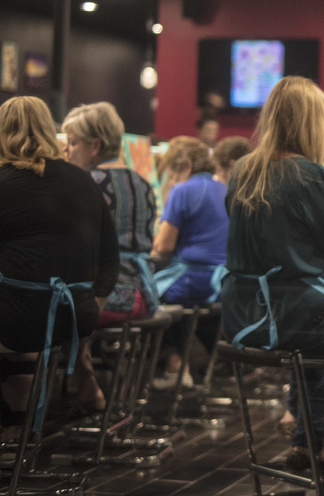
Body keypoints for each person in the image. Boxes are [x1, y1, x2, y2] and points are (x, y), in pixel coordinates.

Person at [220, 76, 324, 482]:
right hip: (291, 318)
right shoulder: (310, 175)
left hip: (240, 318)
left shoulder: (241, 169)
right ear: (310, 122)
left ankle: (310, 445)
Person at [0, 97, 119, 441]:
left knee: (16, 322)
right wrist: (89, 310)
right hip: (74, 318)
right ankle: (17, 430)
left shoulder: (4, 182)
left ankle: (14, 426)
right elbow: (110, 259)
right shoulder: (84, 182)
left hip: (21, 317)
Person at [63, 102, 159, 411]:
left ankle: (86, 385)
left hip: (104, 299)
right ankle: (102, 388)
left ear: (95, 146)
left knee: (51, 308)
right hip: (142, 295)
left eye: (72, 142)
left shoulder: (85, 184)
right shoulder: (143, 184)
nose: (66, 150)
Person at [150, 136, 233, 389]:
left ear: (185, 165)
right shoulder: (225, 189)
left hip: (193, 281)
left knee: (146, 296)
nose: (171, 181)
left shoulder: (183, 190)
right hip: (221, 283)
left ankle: (174, 365)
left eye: (171, 174)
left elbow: (162, 247)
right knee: (176, 299)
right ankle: (184, 367)